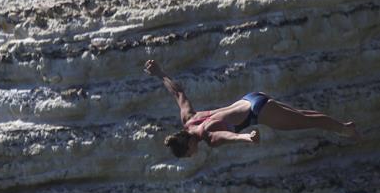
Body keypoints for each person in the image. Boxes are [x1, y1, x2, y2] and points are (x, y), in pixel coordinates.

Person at [144, 59, 359, 158]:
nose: (192, 156)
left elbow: (227, 136)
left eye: (188, 154)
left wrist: (247, 138)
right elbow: (178, 94)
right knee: (303, 116)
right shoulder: (189, 119)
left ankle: (345, 129)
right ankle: (343, 127)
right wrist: (160, 73)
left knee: (306, 121)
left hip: (259, 111)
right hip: (250, 98)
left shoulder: (207, 137)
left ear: (189, 144)